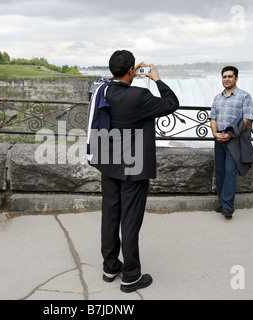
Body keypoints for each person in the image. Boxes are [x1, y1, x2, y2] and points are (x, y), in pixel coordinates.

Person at [95, 50, 179, 293]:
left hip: (109, 162)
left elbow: (114, 81)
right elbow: (172, 103)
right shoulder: (139, 95)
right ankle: (131, 276)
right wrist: (156, 78)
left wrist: (128, 71)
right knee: (130, 221)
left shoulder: (102, 90)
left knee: (110, 216)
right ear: (132, 70)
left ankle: (110, 267)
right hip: (133, 166)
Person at [209, 66, 253, 219]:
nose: (226, 79)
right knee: (220, 172)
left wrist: (229, 135)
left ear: (236, 78)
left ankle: (228, 207)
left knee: (230, 171)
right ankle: (222, 203)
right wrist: (215, 133)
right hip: (219, 139)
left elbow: (247, 119)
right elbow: (213, 117)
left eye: (230, 76)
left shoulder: (244, 96)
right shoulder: (218, 98)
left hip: (234, 139)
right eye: (224, 77)